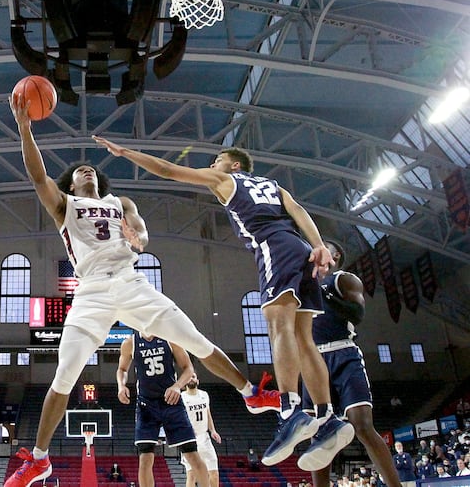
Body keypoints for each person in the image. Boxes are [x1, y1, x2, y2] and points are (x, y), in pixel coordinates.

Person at [4, 93, 280, 487]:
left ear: (100, 180)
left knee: (197, 341)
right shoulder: (63, 205)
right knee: (64, 376)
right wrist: (24, 128)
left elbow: (142, 232)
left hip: (132, 282)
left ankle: (251, 392)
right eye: (80, 170)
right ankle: (40, 459)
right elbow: (36, 176)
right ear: (71, 182)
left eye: (91, 169)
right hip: (92, 292)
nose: (87, 171)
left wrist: (139, 237)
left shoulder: (121, 202)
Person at [94, 136, 354, 470]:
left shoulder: (226, 179)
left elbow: (169, 170)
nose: (213, 164)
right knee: (305, 340)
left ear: (233, 165)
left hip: (273, 247)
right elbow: (299, 210)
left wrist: (125, 152)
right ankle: (328, 417)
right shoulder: (274, 186)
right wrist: (317, 245)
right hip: (300, 247)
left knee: (278, 327)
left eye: (218, 160)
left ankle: (291, 411)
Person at [299, 240, 401, 486]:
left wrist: (327, 295)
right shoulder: (301, 285)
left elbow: (357, 314)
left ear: (335, 256)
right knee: (319, 436)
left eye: (322, 245)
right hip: (313, 359)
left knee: (362, 424)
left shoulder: (343, 279)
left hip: (342, 352)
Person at [117, 333, 210, 487]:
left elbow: (188, 368)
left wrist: (177, 386)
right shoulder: (130, 343)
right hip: (146, 405)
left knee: (192, 454)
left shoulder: (170, 338)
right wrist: (121, 385)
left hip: (171, 402)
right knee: (145, 459)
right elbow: (122, 369)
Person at [180, 372, 221, 487]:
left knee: (214, 473)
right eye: (188, 377)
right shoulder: (181, 397)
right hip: (190, 439)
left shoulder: (204, 395)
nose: (191, 379)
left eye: (193, 376)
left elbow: (207, 413)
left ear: (197, 380)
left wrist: (213, 430)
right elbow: (178, 418)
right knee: (191, 475)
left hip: (205, 437)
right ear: (185, 382)